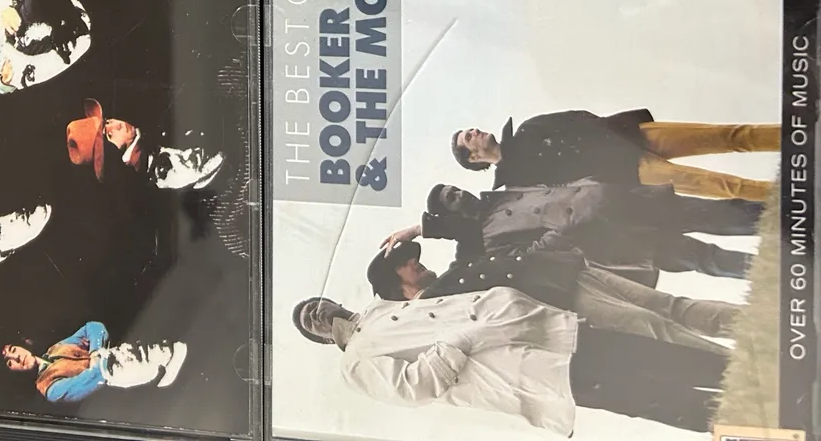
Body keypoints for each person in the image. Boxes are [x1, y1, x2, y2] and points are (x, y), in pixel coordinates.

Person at [292, 290, 726, 434]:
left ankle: (752, 376)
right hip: (528, 372)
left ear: (330, 300)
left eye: (312, 305)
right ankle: (748, 420)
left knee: (660, 354)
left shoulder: (385, 308)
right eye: (307, 322)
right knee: (652, 397)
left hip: (549, 331)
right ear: (320, 337)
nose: (313, 313)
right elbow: (412, 387)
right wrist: (459, 341)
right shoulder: (356, 363)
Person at [366, 239, 735, 354]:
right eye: (403, 263)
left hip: (573, 274)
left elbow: (470, 228)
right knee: (656, 327)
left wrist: (420, 227)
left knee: (670, 307)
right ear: (396, 287)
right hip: (565, 303)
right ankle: (740, 364)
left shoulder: (451, 272)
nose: (413, 261)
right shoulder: (435, 310)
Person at [380, 179, 759, 280]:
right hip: (614, 240)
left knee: (717, 213)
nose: (458, 193)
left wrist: (590, 186)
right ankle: (775, 273)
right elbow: (535, 253)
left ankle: (789, 220)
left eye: (453, 188)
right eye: (450, 198)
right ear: (449, 216)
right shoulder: (489, 240)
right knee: (704, 258)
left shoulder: (503, 193)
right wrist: (420, 229)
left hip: (626, 202)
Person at [451, 109, 780, 200]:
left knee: (729, 135)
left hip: (631, 136)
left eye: (471, 129)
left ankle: (796, 134)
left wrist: (608, 136)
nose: (475, 131)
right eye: (469, 137)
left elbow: (578, 116)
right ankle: (785, 199)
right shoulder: (519, 184)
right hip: (629, 171)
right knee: (721, 185)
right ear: (474, 159)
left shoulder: (527, 128)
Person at [0, 321, 188, 402]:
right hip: (117, 376)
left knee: (134, 351)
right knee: (139, 369)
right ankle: (167, 357)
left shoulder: (55, 349)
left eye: (13, 350)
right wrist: (99, 361)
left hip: (116, 357)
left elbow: (93, 327)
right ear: (12, 371)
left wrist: (95, 352)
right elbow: (88, 380)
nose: (17, 357)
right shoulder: (49, 388)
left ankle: (168, 353)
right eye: (10, 362)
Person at [65, 98, 224, 191]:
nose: (117, 125)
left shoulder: (151, 132)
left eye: (108, 121)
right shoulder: (163, 173)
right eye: (108, 135)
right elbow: (213, 164)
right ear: (110, 154)